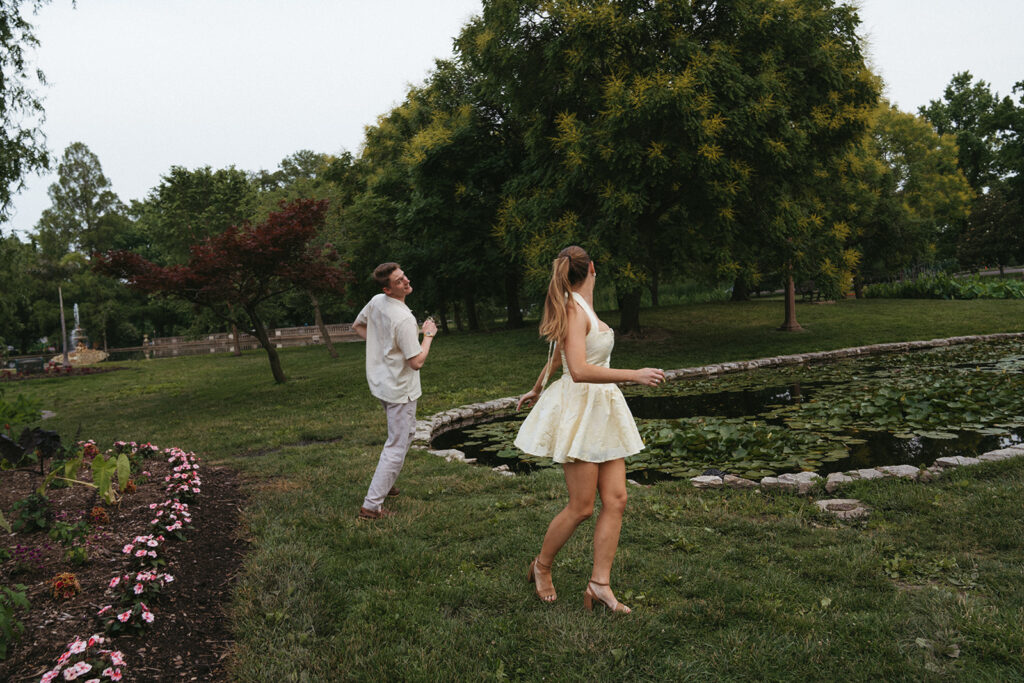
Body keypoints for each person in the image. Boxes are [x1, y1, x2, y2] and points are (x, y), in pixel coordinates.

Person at [515, 246, 664, 613]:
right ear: (593, 268)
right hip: (580, 410)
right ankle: (541, 566)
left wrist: (537, 386)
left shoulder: (582, 307)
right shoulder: (572, 309)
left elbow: (558, 354)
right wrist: (634, 374)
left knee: (617, 499)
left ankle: (599, 585)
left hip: (603, 410)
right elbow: (578, 369)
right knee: (582, 506)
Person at [352, 262, 438, 520]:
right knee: (397, 445)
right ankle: (371, 506)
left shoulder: (376, 302)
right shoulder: (403, 319)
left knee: (407, 433)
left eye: (404, 276)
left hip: (381, 384)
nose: (406, 281)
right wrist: (428, 335)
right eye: (399, 281)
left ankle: (385, 480)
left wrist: (384, 347)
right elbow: (416, 362)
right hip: (400, 389)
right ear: (388, 290)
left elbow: (358, 326)